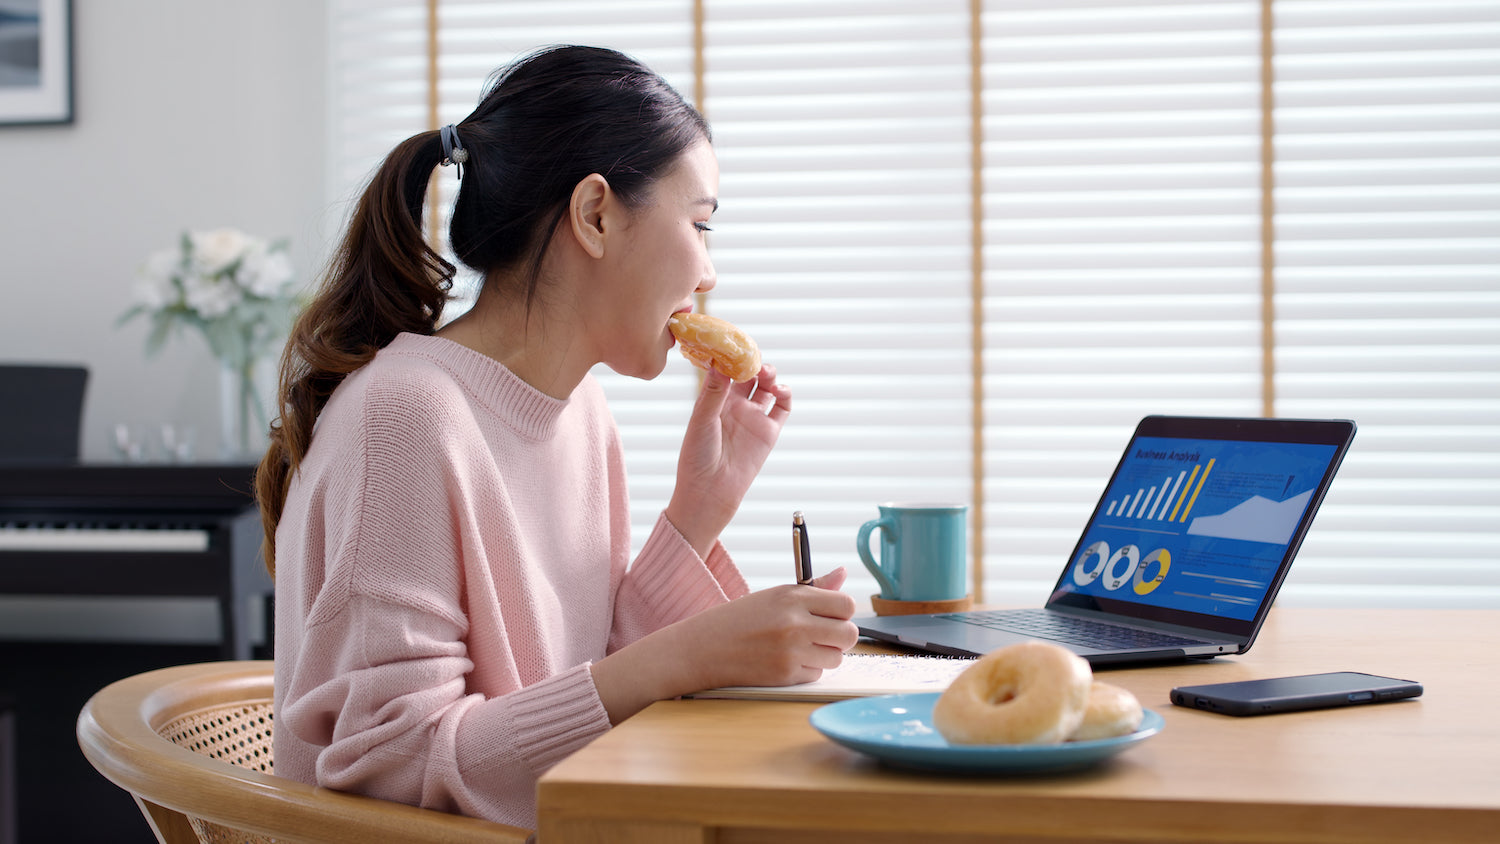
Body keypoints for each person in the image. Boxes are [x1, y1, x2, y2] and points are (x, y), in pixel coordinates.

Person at [252, 45, 859, 829]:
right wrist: (687, 654)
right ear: (595, 214)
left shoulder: (581, 413)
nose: (707, 272)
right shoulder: (404, 418)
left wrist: (698, 512)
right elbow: (389, 768)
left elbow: (579, 687)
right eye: (701, 225)